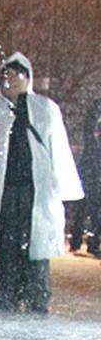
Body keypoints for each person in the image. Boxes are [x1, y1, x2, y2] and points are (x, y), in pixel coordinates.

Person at [0, 53, 82, 314]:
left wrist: (64, 187)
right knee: (7, 240)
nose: (10, 81)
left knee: (35, 243)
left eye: (15, 75)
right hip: (5, 189)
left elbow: (58, 148)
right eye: (5, 76)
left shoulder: (45, 108)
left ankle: (37, 294)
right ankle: (7, 292)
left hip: (35, 189)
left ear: (27, 77)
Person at [69, 100, 101, 258]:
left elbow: (88, 129)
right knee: (94, 214)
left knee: (83, 212)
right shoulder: (93, 147)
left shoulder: (92, 147)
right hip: (92, 180)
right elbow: (88, 129)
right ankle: (92, 244)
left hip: (88, 179)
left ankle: (78, 241)